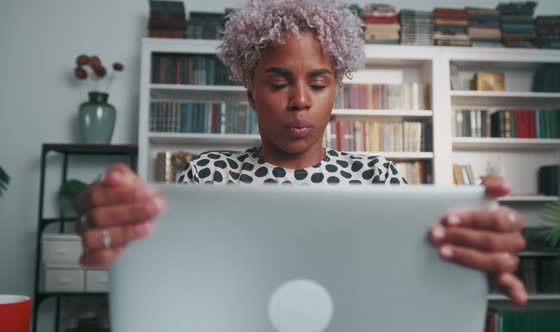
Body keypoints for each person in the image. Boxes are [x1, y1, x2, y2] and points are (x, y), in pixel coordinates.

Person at [75, 0, 527, 306]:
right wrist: (125, 235)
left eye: (317, 84)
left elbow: (407, 284)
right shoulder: (209, 174)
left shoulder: (376, 177)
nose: (300, 101)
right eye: (277, 83)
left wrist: (460, 270)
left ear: (336, 91)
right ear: (251, 94)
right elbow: (175, 282)